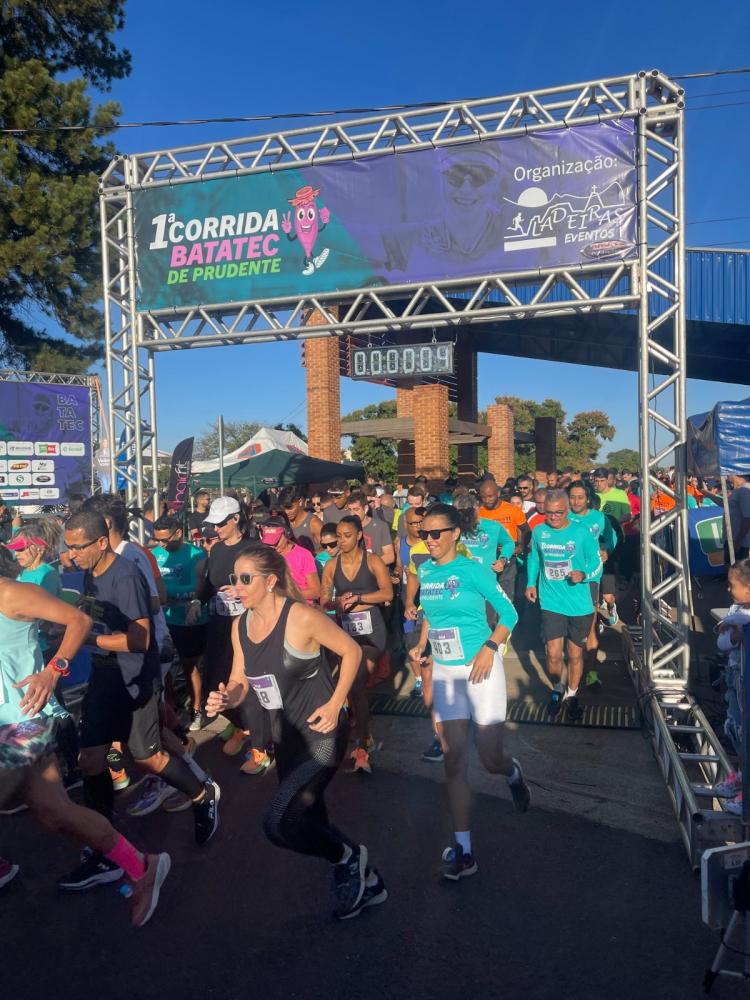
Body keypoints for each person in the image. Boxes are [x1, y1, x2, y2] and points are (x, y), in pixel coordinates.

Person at [205, 544, 387, 919]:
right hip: (285, 738)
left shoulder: (301, 617)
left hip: (323, 736)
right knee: (309, 817)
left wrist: (337, 703)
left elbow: (351, 651)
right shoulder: (241, 625)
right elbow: (239, 680)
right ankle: (367, 879)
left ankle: (350, 858)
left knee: (278, 821)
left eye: (245, 579)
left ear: (270, 581)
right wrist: (226, 698)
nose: (236, 587)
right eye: (232, 579)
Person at [0, 548, 170, 924]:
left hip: (21, 720)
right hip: (8, 724)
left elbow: (76, 619)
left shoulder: (10, 592)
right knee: (55, 814)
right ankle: (141, 866)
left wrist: (53, 670)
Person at [59, 510, 219, 891]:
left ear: (101, 542)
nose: (71, 554)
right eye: (68, 547)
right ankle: (106, 850)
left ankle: (202, 793)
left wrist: (89, 641)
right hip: (103, 678)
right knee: (91, 760)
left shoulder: (125, 574)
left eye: (78, 547)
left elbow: (140, 639)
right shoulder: (88, 571)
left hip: (133, 678)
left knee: (147, 757)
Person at [409, 504, 530, 880]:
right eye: (423, 534)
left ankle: (511, 773)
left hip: (481, 668)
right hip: (446, 672)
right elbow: (431, 612)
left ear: (455, 533)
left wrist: (489, 648)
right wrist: (423, 646)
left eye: (436, 533)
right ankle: (464, 850)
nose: (429, 540)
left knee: (490, 756)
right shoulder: (425, 570)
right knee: (453, 757)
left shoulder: (473, 569)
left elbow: (509, 613)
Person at [198, 496, 272, 775]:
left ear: (235, 519)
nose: (215, 530)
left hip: (248, 627)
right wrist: (198, 601)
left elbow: (268, 587)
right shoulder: (216, 551)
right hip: (219, 627)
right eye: (212, 524)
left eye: (220, 524)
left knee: (247, 684)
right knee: (219, 682)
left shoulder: (254, 549)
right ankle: (240, 729)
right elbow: (209, 583)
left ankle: (261, 747)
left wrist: (241, 592)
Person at [321, 515, 393, 774]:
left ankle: (362, 743)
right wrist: (337, 602)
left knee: (356, 682)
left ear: (360, 535)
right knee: (353, 689)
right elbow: (323, 600)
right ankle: (365, 733)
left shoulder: (373, 561)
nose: (341, 540)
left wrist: (359, 598)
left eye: (347, 535)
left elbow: (387, 593)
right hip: (346, 635)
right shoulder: (331, 566)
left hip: (372, 633)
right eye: (338, 536)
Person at [525, 489, 602, 721]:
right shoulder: (539, 531)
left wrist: (585, 574)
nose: (554, 517)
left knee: (575, 655)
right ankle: (558, 687)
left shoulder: (581, 532)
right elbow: (535, 558)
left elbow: (597, 562)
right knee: (554, 654)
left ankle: (572, 694)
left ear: (567, 510)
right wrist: (530, 583)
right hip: (551, 602)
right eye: (549, 513)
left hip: (579, 605)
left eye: (559, 512)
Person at [151, 515, 207, 731]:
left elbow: (197, 587)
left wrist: (166, 594)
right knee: (161, 667)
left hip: (188, 621)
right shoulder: (154, 555)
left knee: (189, 667)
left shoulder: (195, 554)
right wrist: (169, 596)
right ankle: (171, 708)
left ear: (178, 534)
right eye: (157, 540)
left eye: (165, 540)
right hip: (163, 621)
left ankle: (196, 709)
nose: (161, 545)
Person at [567, 481, 618, 687]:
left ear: (588, 498)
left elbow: (612, 538)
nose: (576, 501)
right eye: (572, 497)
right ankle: (572, 669)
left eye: (580, 497)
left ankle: (591, 673)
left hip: (590, 578)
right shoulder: (564, 516)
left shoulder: (599, 517)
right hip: (565, 578)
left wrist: (607, 551)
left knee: (590, 626)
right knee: (568, 627)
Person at [713, 560, 750, 815]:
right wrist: (733, 636)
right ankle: (740, 775)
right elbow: (722, 641)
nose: (728, 589)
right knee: (736, 730)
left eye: (732, 585)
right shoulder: (737, 609)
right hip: (736, 678)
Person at [477, 477, 527, 600]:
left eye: (490, 496)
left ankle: (505, 618)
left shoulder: (512, 510)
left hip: (509, 557)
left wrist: (520, 546)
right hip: (488, 558)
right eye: (483, 497)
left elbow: (525, 530)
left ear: (498, 494)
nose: (487, 500)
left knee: (506, 594)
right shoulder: (479, 512)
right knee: (488, 595)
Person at [259, 514, 320, 604]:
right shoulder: (265, 555)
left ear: (287, 534)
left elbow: (316, 592)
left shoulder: (303, 555)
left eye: (276, 541)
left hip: (300, 607)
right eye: (269, 543)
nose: (273, 546)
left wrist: (287, 595)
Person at [453, 491, 515, 571]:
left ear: (477, 509)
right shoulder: (451, 526)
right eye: (460, 513)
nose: (465, 517)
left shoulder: (493, 526)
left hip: (486, 578)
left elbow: (508, 543)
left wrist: (502, 560)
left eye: (468, 512)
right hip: (460, 577)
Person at [346, 491, 396, 570]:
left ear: (365, 508)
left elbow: (390, 557)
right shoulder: (347, 528)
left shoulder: (381, 526)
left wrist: (366, 566)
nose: (352, 513)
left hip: (378, 576)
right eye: (350, 510)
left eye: (356, 509)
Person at [277, 486, 321, 553]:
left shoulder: (314, 523)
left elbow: (325, 550)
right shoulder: (283, 521)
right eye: (283, 508)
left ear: (300, 502)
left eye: (289, 507)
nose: (286, 512)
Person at [729, 474, 750, 560]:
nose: (727, 475)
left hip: (740, 542)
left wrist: (738, 541)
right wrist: (707, 493)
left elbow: (748, 518)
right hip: (736, 539)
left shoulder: (744, 491)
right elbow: (725, 504)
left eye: (730, 472)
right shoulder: (739, 490)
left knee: (737, 570)